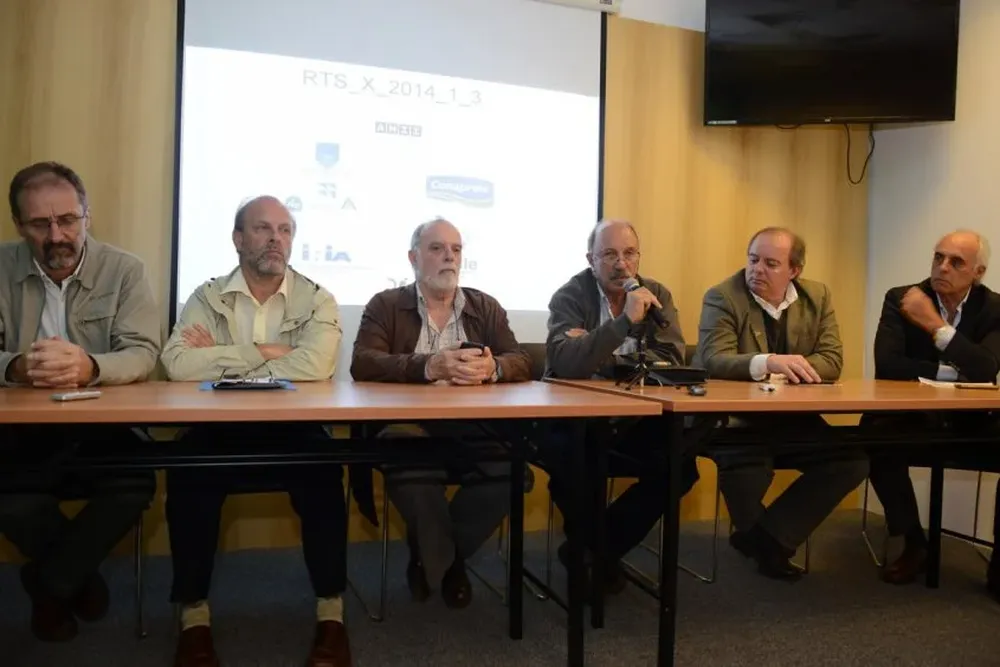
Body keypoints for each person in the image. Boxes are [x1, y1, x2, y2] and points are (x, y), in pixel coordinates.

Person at [161, 196, 350, 667]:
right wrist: (265, 350)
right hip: (217, 425)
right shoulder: (206, 296)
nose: (276, 239)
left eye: (285, 230)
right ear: (238, 238)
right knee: (187, 478)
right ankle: (194, 619)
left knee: (326, 475)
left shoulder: (317, 297)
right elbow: (178, 364)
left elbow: (316, 365)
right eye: (263, 229)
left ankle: (332, 616)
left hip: (293, 426)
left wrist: (226, 354)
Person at [0, 161, 160, 641]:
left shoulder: (126, 269)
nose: (56, 236)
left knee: (136, 482)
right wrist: (15, 367)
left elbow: (143, 352)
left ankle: (46, 581)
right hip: (20, 429)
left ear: (87, 216)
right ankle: (74, 577)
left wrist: (91, 366)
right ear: (18, 226)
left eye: (68, 220)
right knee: (9, 497)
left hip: (102, 425)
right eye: (40, 224)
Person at [351, 217, 531, 608]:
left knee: (513, 472)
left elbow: (521, 359)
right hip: (408, 427)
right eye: (437, 249)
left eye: (456, 249)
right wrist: (428, 366)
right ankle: (451, 568)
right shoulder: (385, 305)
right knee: (415, 475)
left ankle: (435, 557)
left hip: (474, 427)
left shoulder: (485, 306)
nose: (449, 257)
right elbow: (362, 363)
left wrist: (494, 368)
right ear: (413, 257)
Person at [694, 226, 868, 580]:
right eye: (753, 259)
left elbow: (832, 361)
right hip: (736, 420)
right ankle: (768, 544)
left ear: (794, 270)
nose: (757, 269)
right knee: (745, 465)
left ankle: (764, 539)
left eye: (771, 263)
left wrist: (786, 369)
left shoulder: (816, 296)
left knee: (852, 461)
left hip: (793, 418)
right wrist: (767, 362)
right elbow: (711, 359)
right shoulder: (723, 296)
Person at [544, 218, 699, 592]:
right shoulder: (570, 296)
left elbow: (671, 359)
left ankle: (594, 549)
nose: (621, 264)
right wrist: (624, 324)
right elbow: (566, 363)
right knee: (574, 463)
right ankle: (595, 557)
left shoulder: (656, 292)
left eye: (629, 254)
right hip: (575, 420)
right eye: (609, 254)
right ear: (591, 260)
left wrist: (597, 354)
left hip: (634, 419)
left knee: (680, 465)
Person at [867, 229, 1000, 597]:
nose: (942, 267)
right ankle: (914, 543)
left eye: (956, 262)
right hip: (915, 417)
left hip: (972, 423)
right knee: (874, 432)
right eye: (938, 257)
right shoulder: (902, 298)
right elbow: (889, 366)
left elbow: (987, 369)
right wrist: (953, 370)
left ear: (978, 272)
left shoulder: (994, 309)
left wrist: (934, 326)